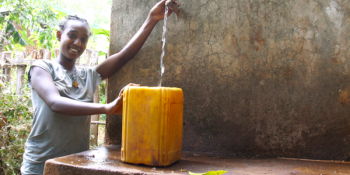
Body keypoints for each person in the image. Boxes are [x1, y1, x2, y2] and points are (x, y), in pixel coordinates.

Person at [21, 0, 179, 174]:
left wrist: (152, 18)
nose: (77, 42)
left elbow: (124, 56)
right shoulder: (42, 68)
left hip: (74, 165)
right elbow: (55, 103)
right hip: (39, 165)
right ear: (59, 35)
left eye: (83, 38)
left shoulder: (88, 76)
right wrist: (107, 107)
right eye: (72, 35)